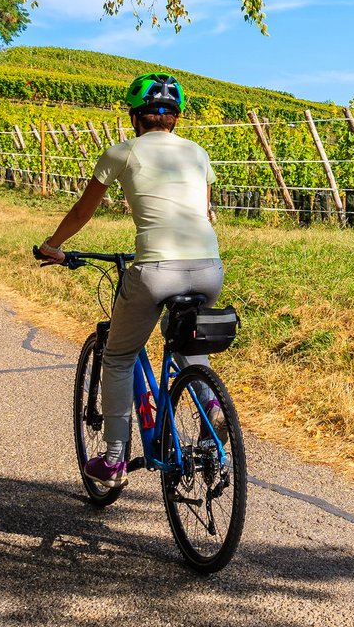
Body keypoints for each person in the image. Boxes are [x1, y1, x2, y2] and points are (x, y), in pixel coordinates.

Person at [36, 72, 223, 487]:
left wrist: (53, 245)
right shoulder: (197, 153)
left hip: (156, 268)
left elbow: (83, 212)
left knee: (118, 357)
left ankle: (115, 459)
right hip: (209, 266)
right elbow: (202, 210)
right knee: (188, 342)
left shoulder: (122, 152)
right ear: (175, 118)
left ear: (135, 117)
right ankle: (213, 410)